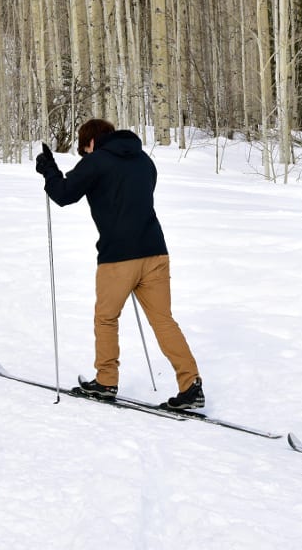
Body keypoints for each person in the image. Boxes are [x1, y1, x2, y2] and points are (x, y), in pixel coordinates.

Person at [35, 119, 204, 410]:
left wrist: (48, 169)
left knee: (106, 318)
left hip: (118, 258)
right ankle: (191, 386)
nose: (84, 154)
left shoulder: (97, 161)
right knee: (164, 320)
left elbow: (63, 195)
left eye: (83, 148)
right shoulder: (144, 160)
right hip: (155, 252)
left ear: (90, 142)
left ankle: (106, 382)